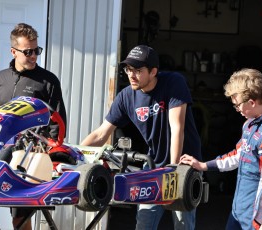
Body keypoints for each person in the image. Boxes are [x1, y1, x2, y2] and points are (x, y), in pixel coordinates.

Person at [81, 45, 202, 230]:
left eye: (138, 70)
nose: (131, 75)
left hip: (182, 165)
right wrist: (77, 155)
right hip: (152, 165)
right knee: (144, 222)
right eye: (129, 69)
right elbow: (101, 133)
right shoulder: (126, 96)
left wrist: (174, 172)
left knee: (183, 225)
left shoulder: (173, 83)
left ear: (153, 72)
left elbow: (177, 127)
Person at [180, 68, 262, 230]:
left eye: (237, 105)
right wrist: (203, 165)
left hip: (259, 219)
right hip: (238, 213)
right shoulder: (250, 124)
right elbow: (237, 155)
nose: (237, 110)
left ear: (252, 102)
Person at [0, 23, 66, 230]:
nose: (33, 56)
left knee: (20, 220)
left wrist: (49, 155)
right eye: (28, 51)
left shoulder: (49, 81)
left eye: (36, 50)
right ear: (14, 51)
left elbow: (58, 124)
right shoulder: (0, 78)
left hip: (28, 158)